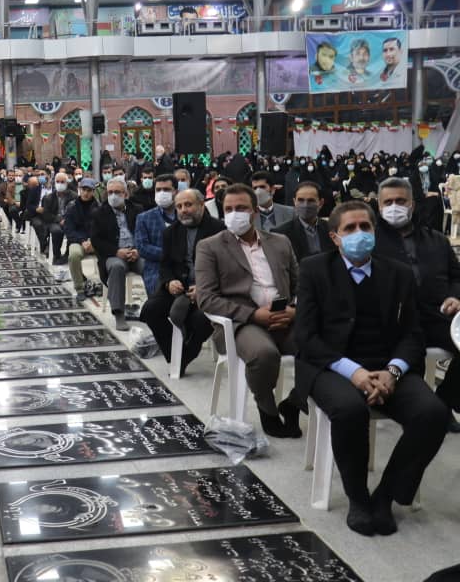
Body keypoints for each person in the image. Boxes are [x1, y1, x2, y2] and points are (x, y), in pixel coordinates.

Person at [290, 201, 450, 536]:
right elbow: (306, 336)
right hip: (330, 366)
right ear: (335, 237)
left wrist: (393, 371)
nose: (359, 234)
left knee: (433, 413)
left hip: (387, 366)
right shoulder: (314, 269)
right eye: (350, 228)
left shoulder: (398, 272)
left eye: (365, 226)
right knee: (350, 410)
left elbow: (413, 334)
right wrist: (355, 372)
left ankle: (386, 494)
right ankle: (358, 498)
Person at [195, 183, 300, 437]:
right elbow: (206, 299)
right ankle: (267, 407)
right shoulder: (210, 247)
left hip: (284, 316)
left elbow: (301, 285)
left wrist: (294, 311)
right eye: (228, 209)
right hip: (242, 322)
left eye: (241, 208)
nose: (234, 214)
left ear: (254, 211)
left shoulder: (280, 242)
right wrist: (254, 315)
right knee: (264, 354)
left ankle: (295, 402)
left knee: (323, 347)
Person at [373, 177, 460, 430]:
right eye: (388, 202)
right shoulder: (371, 240)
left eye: (401, 201)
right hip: (393, 320)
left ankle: (445, 400)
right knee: (408, 357)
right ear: (379, 206)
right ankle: (421, 409)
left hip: (437, 314)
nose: (395, 207)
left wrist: (455, 296)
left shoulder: (436, 239)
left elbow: (456, 276)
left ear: (412, 204)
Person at [140, 189, 224, 376]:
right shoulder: (171, 232)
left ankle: (186, 355)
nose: (183, 210)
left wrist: (204, 288)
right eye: (179, 206)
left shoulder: (219, 229)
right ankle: (175, 355)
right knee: (150, 310)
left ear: (201, 205)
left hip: (208, 289)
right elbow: (165, 265)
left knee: (200, 320)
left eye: (188, 205)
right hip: (179, 286)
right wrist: (169, 281)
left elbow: (225, 268)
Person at [90, 178, 142, 331]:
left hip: (135, 252)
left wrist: (138, 250)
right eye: (110, 192)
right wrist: (116, 251)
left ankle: (156, 308)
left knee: (151, 267)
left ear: (125, 194)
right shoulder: (99, 213)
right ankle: (119, 313)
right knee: (117, 267)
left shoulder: (137, 209)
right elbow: (96, 240)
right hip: (112, 255)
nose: (113, 196)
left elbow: (144, 233)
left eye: (117, 192)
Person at [135, 174, 178, 296]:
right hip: (156, 269)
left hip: (184, 268)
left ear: (175, 191)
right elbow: (142, 247)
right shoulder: (144, 218)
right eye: (158, 190)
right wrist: (169, 254)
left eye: (166, 189)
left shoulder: (184, 215)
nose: (162, 193)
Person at [272, 181, 336, 260]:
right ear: (294, 202)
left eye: (311, 200)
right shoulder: (281, 233)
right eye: (301, 200)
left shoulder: (332, 228)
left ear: (321, 203)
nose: (305, 205)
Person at [64, 178, 99, 301]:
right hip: (78, 241)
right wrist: (83, 241)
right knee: (73, 255)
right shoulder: (72, 207)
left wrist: (92, 241)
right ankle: (80, 288)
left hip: (96, 241)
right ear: (79, 189)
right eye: (84, 189)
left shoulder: (100, 207)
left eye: (89, 190)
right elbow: (69, 230)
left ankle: (105, 285)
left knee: (111, 253)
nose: (86, 193)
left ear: (93, 192)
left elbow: (103, 228)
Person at [36, 172, 74, 264]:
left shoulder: (73, 196)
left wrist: (66, 220)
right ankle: (56, 255)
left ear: (67, 183)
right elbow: (46, 215)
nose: (60, 184)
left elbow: (75, 211)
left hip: (68, 221)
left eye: (62, 182)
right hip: (53, 221)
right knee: (57, 231)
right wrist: (59, 220)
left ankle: (67, 255)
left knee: (73, 231)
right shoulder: (48, 198)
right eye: (58, 182)